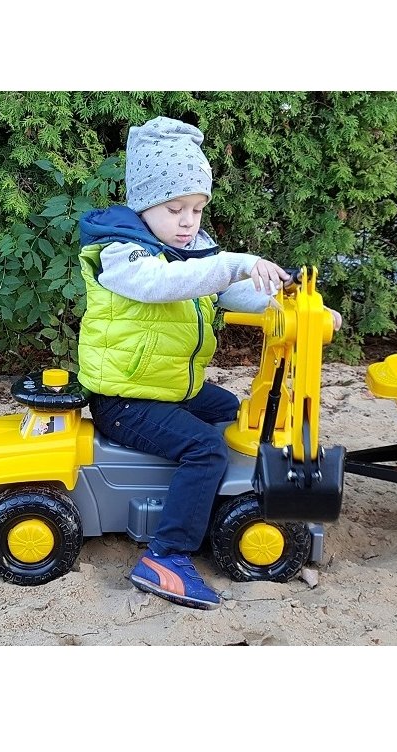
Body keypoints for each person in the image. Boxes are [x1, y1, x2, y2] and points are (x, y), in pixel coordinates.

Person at [76, 116, 341, 610]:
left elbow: (232, 292)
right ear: (143, 204)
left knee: (233, 412)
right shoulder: (122, 253)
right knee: (206, 448)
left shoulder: (190, 250)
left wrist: (297, 308)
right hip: (125, 398)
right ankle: (166, 556)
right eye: (174, 208)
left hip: (172, 386)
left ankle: (208, 502)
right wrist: (235, 262)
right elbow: (166, 284)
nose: (188, 221)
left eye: (197, 209)